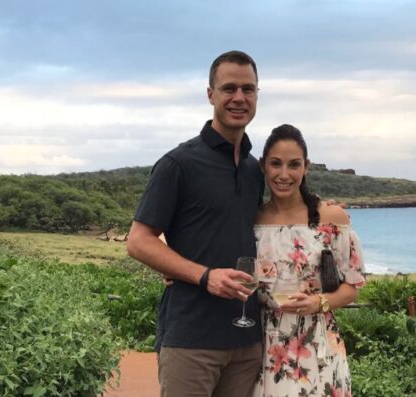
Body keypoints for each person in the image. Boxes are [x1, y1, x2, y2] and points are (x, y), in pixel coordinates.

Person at [126, 50, 264, 397]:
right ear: (210, 94)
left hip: (247, 342)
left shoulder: (253, 170)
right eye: (229, 88)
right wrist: (203, 275)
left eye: (248, 89)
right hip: (192, 339)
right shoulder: (178, 164)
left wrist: (325, 212)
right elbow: (139, 241)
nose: (239, 98)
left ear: (257, 95)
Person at [253, 124, 367, 397]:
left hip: (318, 346)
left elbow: (353, 286)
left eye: (294, 165)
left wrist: (319, 302)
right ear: (263, 166)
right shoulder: (251, 218)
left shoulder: (332, 218)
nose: (284, 174)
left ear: (307, 167)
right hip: (261, 347)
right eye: (275, 164)